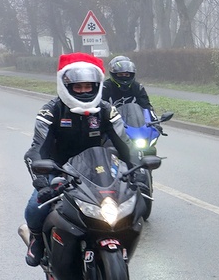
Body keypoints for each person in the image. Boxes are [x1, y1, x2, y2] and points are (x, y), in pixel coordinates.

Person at [22, 52, 135, 267]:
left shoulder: (107, 111)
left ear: (96, 86)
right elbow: (35, 152)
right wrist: (41, 182)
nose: (84, 91)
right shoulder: (50, 111)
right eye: (78, 87)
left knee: (128, 206)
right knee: (36, 207)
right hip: (58, 170)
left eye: (88, 86)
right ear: (67, 86)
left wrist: (136, 170)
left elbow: (126, 146)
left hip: (98, 170)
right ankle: (36, 238)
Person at [102, 57, 158, 121]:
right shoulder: (105, 87)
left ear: (131, 74)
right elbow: (100, 108)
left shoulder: (137, 87)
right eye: (120, 74)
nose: (124, 76)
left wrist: (154, 122)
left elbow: (146, 107)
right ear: (113, 74)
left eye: (127, 74)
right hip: (111, 123)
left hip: (134, 123)